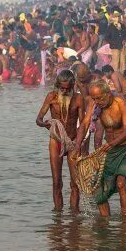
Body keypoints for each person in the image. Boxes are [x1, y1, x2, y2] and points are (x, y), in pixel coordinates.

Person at [73, 79, 126, 217]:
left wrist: (111, 144)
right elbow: (84, 125)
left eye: (99, 98)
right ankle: (105, 223)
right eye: (94, 98)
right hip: (110, 150)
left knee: (121, 183)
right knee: (98, 190)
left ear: (108, 94)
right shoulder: (93, 104)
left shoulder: (121, 103)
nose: (97, 102)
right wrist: (78, 146)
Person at [35, 70, 84, 211]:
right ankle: (58, 217)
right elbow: (38, 119)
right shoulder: (51, 96)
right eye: (62, 88)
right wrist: (45, 124)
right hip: (55, 141)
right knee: (57, 182)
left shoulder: (78, 99)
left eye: (67, 88)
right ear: (57, 86)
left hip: (73, 142)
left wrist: (80, 144)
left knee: (75, 183)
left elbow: (83, 124)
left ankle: (74, 215)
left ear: (72, 86)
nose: (64, 91)